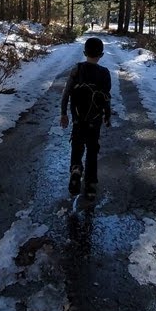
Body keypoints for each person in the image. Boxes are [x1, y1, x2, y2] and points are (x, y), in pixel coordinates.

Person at [60, 37, 111, 199]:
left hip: (77, 117)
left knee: (77, 145)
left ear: (84, 53)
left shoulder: (77, 69)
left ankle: (75, 170)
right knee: (92, 149)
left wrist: (64, 113)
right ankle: (90, 184)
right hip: (94, 120)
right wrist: (107, 116)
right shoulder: (104, 73)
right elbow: (106, 98)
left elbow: (66, 92)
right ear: (101, 55)